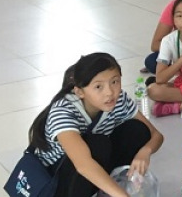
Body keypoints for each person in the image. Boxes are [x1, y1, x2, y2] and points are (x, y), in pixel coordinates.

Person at [29, 53, 163, 197]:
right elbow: (83, 164)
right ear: (80, 92)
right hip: (54, 183)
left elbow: (156, 135)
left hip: (87, 172)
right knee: (98, 145)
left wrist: (145, 151)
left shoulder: (119, 100)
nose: (109, 92)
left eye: (114, 82)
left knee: (137, 130)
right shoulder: (63, 111)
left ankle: (111, 190)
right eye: (98, 86)